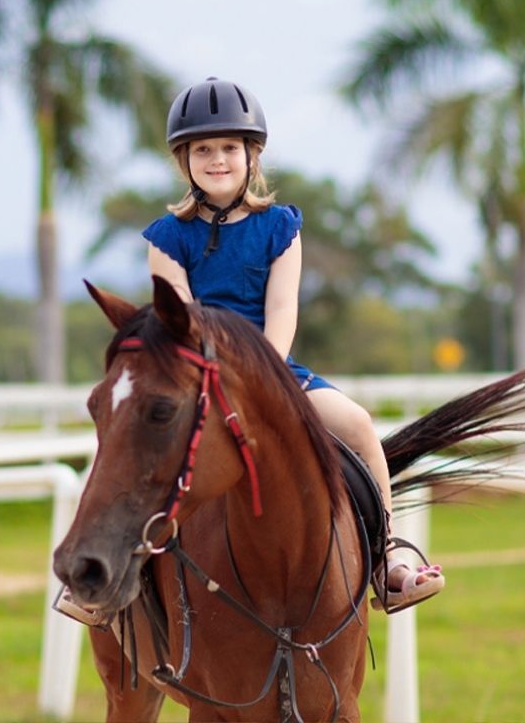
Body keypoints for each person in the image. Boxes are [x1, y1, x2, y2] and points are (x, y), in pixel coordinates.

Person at [142, 77, 445, 613]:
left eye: (229, 148)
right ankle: (110, 579)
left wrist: (265, 375)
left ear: (251, 155)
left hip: (274, 368)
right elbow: (183, 319)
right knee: (132, 446)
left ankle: (387, 558)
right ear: (183, 160)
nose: (217, 160)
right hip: (197, 374)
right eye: (203, 150)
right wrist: (215, 379)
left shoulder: (280, 226)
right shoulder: (166, 238)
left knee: (356, 424)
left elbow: (282, 310)